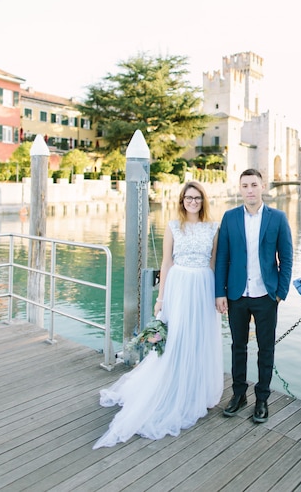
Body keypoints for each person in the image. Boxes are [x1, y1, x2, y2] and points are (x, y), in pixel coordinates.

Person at [93, 181, 223, 448]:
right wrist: (161, 298)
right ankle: (173, 387)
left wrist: (214, 295)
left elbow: (213, 262)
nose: (193, 202)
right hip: (178, 286)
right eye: (188, 197)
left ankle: (195, 389)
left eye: (197, 198)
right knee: (175, 338)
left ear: (203, 200)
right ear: (181, 200)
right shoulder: (174, 226)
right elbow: (167, 262)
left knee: (199, 339)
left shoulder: (213, 227)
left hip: (203, 286)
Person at [215, 168, 293, 424]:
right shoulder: (229, 218)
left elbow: (286, 257)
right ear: (240, 189)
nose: (249, 189)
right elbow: (222, 259)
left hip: (266, 295)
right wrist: (220, 293)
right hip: (237, 295)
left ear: (263, 187)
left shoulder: (278, 218)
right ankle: (239, 395)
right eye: (245, 185)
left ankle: (262, 399)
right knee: (238, 347)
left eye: (254, 185)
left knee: (266, 349)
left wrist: (280, 292)